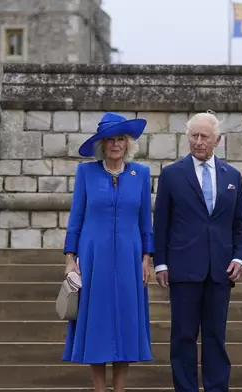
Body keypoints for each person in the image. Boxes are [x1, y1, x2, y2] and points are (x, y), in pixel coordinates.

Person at [153, 111, 242, 392]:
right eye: (193, 136)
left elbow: (240, 224)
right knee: (183, 336)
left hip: (221, 270)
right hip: (183, 269)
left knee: (215, 336)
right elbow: (161, 223)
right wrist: (161, 264)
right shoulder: (172, 174)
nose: (197, 142)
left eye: (203, 136)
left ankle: (217, 387)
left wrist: (239, 257)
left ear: (217, 140)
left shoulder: (232, 176)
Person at [62, 112, 154, 392]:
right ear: (102, 144)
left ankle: (120, 390)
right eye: (110, 140)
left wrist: (147, 258)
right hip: (93, 256)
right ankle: (99, 389)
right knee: (97, 321)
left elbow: (145, 221)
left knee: (125, 320)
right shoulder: (86, 173)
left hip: (129, 256)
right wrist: (69, 258)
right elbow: (76, 217)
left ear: (128, 144)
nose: (115, 144)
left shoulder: (141, 174)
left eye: (120, 139)